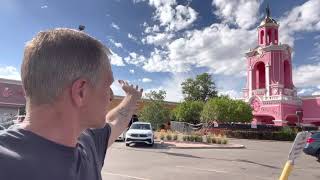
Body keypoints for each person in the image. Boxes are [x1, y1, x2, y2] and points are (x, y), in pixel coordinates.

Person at [0, 28, 143, 180]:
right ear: (81, 92)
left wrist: (132, 97)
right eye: (107, 86)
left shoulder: (87, 142)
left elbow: (115, 121)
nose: (110, 96)